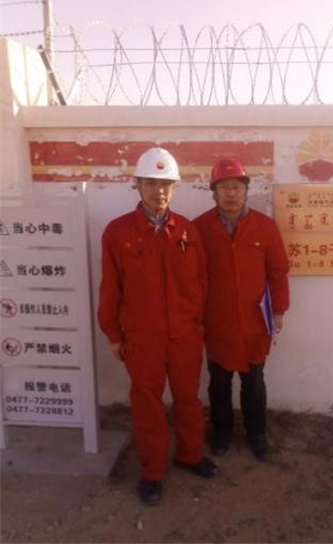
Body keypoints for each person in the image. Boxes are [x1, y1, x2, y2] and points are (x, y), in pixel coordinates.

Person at [98, 147, 217, 506]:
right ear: (137, 185)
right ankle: (152, 471)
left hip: (184, 336)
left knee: (188, 399)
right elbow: (110, 287)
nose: (159, 191)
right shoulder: (118, 233)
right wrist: (113, 334)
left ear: (175, 188)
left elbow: (201, 282)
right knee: (147, 404)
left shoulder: (188, 231)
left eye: (166, 184)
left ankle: (190, 454)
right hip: (142, 338)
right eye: (151, 183)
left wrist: (195, 324)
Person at [194, 157, 290, 462]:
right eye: (223, 187)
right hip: (216, 321)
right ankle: (221, 432)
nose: (231, 193)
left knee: (254, 380)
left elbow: (278, 272)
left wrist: (279, 310)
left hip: (254, 321)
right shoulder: (199, 228)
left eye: (236, 186)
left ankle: (256, 434)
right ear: (214, 192)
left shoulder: (265, 227)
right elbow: (191, 276)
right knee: (219, 381)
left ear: (246, 190)